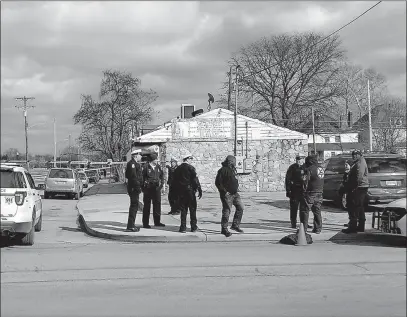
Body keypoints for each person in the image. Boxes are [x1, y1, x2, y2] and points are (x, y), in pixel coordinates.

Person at [171, 152, 202, 233]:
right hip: (190, 191)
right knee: (192, 209)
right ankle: (193, 226)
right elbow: (195, 180)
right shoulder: (191, 168)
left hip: (181, 192)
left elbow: (174, 182)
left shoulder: (178, 169)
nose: (191, 160)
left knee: (183, 210)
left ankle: (183, 227)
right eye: (191, 158)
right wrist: (198, 189)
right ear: (187, 159)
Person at [215, 155, 244, 237]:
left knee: (240, 207)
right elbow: (218, 183)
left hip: (235, 193)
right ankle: (224, 229)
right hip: (227, 195)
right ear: (230, 161)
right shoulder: (222, 170)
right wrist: (224, 191)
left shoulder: (232, 169)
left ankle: (235, 225)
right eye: (234, 161)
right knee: (227, 211)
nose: (235, 163)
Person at [342, 150, 369, 234]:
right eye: (352, 155)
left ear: (359, 155)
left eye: (355, 155)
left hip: (359, 187)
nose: (353, 156)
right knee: (359, 207)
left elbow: (359, 176)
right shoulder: (358, 162)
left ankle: (353, 227)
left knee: (353, 207)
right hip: (360, 187)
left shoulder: (360, 163)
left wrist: (354, 187)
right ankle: (360, 226)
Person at [299, 155, 324, 233]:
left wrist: (303, 190)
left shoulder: (309, 169)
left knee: (304, 210)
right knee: (317, 211)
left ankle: (303, 229)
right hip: (320, 192)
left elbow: (305, 182)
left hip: (310, 192)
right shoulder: (321, 168)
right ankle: (318, 228)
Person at [142, 153, 165, 228]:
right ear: (152, 160)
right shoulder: (145, 167)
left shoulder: (158, 167)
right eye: (156, 159)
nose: (157, 160)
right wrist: (143, 188)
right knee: (147, 206)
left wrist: (161, 185)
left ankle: (157, 222)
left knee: (157, 205)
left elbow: (162, 176)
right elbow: (142, 178)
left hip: (156, 188)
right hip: (148, 188)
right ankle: (145, 223)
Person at [285, 154, 306, 228]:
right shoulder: (292, 167)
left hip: (303, 190)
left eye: (300, 160)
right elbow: (287, 179)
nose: (299, 161)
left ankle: (303, 223)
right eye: (297, 160)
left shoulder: (305, 167)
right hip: (294, 190)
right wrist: (288, 190)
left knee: (303, 208)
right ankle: (293, 223)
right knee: (294, 208)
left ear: (303, 160)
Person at [125, 149, 143, 232]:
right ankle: (130, 226)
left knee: (135, 206)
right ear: (136, 155)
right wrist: (138, 187)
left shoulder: (135, 164)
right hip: (133, 188)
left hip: (134, 188)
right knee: (134, 206)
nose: (141, 156)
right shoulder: (132, 164)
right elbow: (133, 177)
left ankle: (132, 224)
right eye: (140, 154)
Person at [339, 160, 353, 227]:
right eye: (345, 165)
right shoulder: (346, 173)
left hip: (351, 191)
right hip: (346, 191)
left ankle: (352, 222)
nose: (345, 166)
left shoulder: (352, 173)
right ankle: (350, 221)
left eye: (347, 165)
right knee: (349, 207)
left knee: (352, 208)